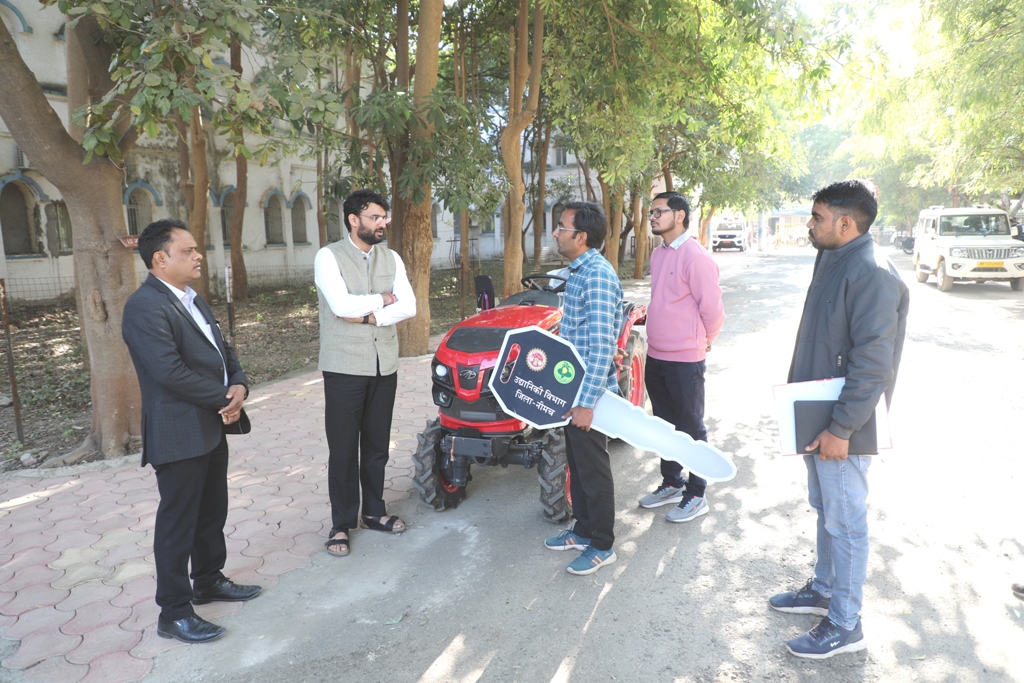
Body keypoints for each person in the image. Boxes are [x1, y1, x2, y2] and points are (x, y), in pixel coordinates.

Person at [769, 180, 909, 659]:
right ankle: (824, 589)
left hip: (842, 426)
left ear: (846, 223)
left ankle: (846, 624)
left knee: (846, 523)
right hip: (817, 415)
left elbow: (874, 365)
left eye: (817, 217)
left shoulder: (872, 272)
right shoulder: (832, 257)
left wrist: (841, 428)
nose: (810, 224)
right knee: (826, 509)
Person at [122, 219, 261, 644]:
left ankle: (208, 580)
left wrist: (239, 385)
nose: (198, 256)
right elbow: (169, 371)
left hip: (210, 423)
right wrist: (224, 398)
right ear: (160, 259)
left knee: (211, 511)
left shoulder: (192, 298)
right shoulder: (145, 306)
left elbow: (223, 350)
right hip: (178, 430)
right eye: (188, 251)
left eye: (196, 249)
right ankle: (175, 613)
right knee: (177, 523)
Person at [314, 189, 416, 557]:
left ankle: (374, 512)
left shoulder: (392, 257)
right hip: (344, 366)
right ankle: (341, 524)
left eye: (384, 217)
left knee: (376, 446)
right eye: (375, 217)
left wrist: (370, 316)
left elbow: (410, 306)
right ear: (353, 220)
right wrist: (385, 299)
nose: (382, 223)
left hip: (383, 363)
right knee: (343, 449)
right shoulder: (329, 256)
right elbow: (341, 306)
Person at [542, 201, 623, 576]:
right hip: (573, 390)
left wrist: (587, 403)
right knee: (577, 465)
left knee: (593, 470)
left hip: (591, 395)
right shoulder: (579, 271)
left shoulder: (597, 276)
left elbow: (602, 346)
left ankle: (602, 545)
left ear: (581, 237)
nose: (556, 233)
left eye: (562, 227)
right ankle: (583, 530)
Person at [638, 192, 724, 522]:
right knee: (664, 425)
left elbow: (713, 310)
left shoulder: (696, 257)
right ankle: (672, 482)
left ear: (679, 216)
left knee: (690, 427)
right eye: (651, 212)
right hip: (656, 354)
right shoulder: (658, 254)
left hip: (685, 360)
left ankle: (697, 493)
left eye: (658, 211)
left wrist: (704, 341)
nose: (652, 217)